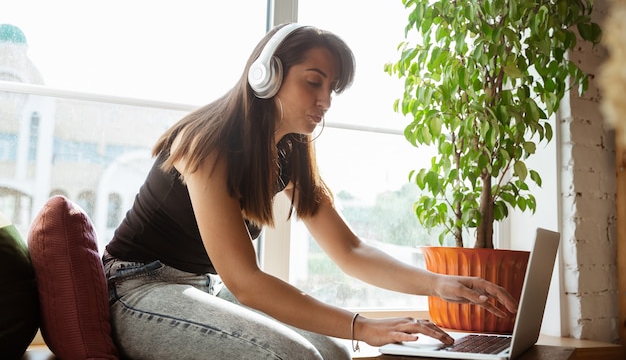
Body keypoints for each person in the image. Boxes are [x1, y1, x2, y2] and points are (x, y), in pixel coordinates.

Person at [103, 23, 518, 360]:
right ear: (266, 76)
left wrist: (440, 285)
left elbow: (349, 250)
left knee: (333, 352)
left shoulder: (291, 151)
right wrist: (364, 326)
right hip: (139, 288)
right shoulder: (207, 145)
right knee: (293, 355)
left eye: (331, 89)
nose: (326, 101)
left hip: (201, 287)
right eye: (314, 82)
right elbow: (246, 281)